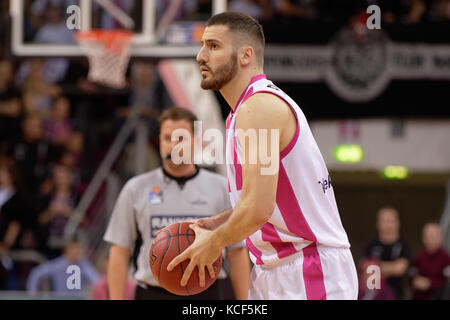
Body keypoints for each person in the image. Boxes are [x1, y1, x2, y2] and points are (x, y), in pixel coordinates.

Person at [167, 12, 358, 300]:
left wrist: (215, 243)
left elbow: (258, 208)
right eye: (202, 45)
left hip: (309, 268)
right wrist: (219, 223)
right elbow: (262, 200)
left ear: (246, 55)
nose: (200, 56)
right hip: (274, 270)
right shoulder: (241, 113)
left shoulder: (260, 108)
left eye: (213, 46)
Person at [104, 107, 251, 300]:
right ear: (159, 141)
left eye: (181, 138)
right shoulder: (135, 188)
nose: (173, 145)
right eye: (167, 138)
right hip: (152, 292)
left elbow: (236, 252)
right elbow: (120, 252)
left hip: (205, 294)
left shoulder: (222, 187)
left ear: (196, 141)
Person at [364, 206, 411, 300]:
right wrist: (391, 267)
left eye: (390, 220)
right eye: (384, 220)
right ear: (378, 224)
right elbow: (367, 270)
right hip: (374, 296)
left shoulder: (403, 245)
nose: (387, 224)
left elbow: (400, 268)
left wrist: (377, 266)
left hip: (397, 295)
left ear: (397, 223)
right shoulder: (370, 246)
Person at [26, 237, 99, 295]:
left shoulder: (83, 264)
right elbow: (36, 273)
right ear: (67, 249)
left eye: (78, 248)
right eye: (73, 248)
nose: (76, 251)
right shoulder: (58, 264)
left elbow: (96, 280)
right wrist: (33, 291)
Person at [411, 222, 450, 300]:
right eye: (427, 237)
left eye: (433, 237)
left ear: (440, 238)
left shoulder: (446, 258)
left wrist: (430, 284)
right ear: (423, 238)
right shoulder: (420, 256)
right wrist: (414, 281)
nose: (430, 240)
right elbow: (412, 274)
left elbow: (447, 281)